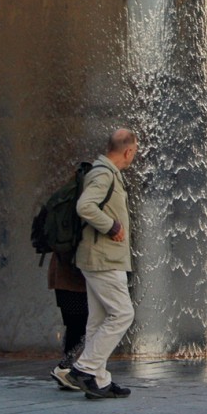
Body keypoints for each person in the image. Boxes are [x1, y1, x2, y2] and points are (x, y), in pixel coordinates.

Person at [65, 128, 139, 399]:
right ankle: (84, 368)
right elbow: (85, 206)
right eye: (135, 152)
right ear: (128, 151)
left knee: (98, 320)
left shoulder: (105, 172)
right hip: (104, 258)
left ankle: (98, 381)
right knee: (122, 314)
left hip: (100, 258)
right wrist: (111, 226)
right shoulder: (104, 173)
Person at [48, 253, 88, 390]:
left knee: (76, 324)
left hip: (65, 277)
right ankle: (65, 368)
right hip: (73, 278)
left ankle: (66, 369)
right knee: (80, 324)